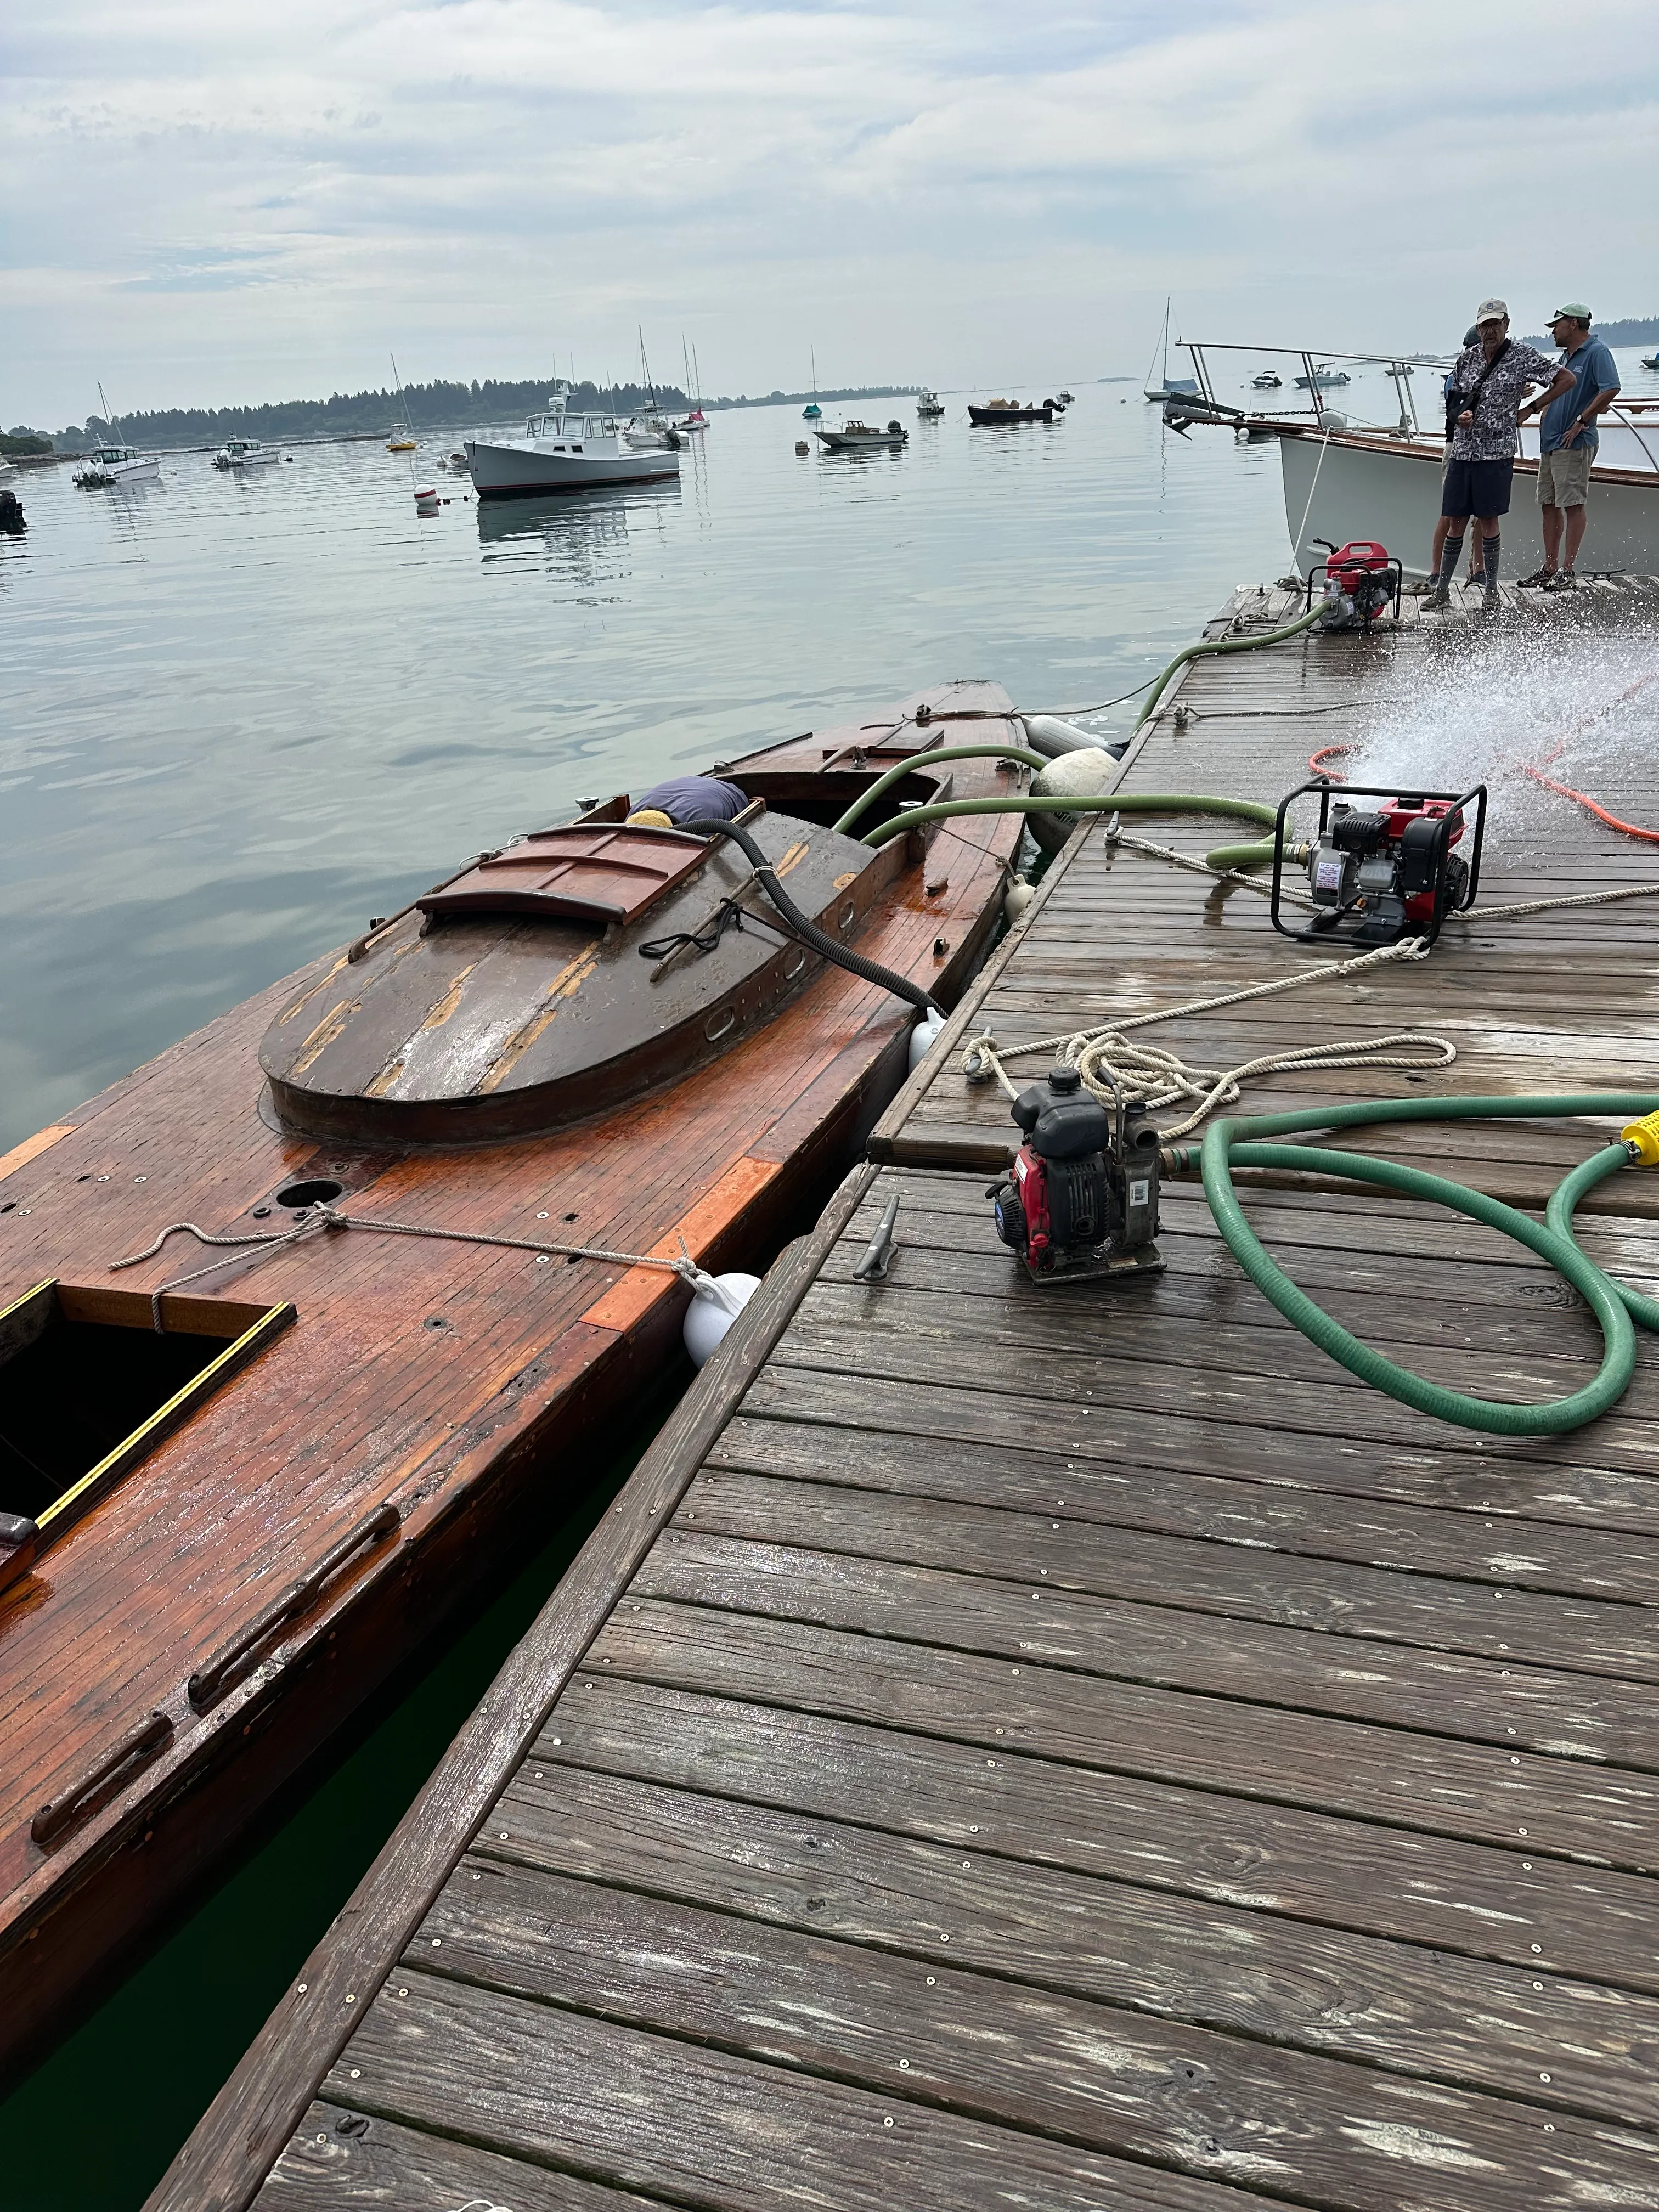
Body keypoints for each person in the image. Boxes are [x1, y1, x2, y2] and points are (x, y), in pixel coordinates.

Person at [1424, 300, 1575, 613]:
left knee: (1489, 520)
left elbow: (1566, 379)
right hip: (1464, 452)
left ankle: (1491, 590)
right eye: (1484, 325)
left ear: (1507, 324)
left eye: (1495, 324)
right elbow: (1454, 403)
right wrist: (1459, 416)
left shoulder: (1522, 356)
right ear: (1478, 329)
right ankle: (1442, 592)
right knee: (1456, 520)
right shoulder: (1466, 359)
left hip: (1495, 454)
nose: (1490, 330)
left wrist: (1530, 410)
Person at [1517, 304, 1621, 591]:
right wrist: (1544, 406)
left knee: (1573, 504)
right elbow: (1559, 388)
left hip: (1574, 443)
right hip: (1551, 444)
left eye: (1557, 325)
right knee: (1548, 504)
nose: (1553, 331)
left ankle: (1568, 570)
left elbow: (1611, 388)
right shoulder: (1566, 356)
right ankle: (1550, 568)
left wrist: (1581, 420)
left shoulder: (1597, 352)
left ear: (1573, 324)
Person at [1429, 326, 1483, 585]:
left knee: (1484, 513)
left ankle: (1477, 570)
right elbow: (1462, 408)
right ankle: (1436, 572)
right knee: (1450, 513)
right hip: (1457, 449)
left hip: (1483, 451)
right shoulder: (1458, 376)